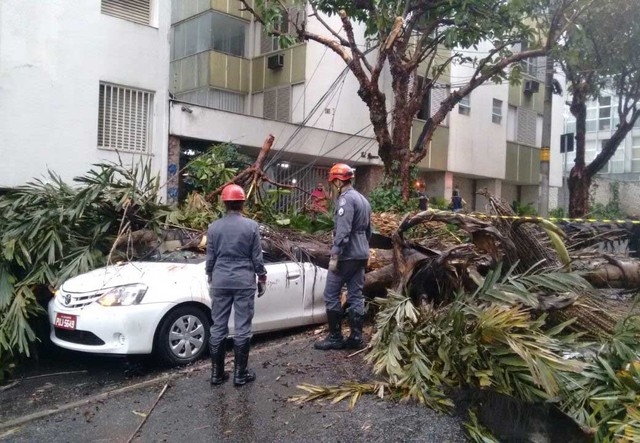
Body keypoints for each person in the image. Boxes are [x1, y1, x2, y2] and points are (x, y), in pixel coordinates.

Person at [206, 184, 267, 386]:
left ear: (224, 203)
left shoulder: (214, 227)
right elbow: (257, 257)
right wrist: (262, 277)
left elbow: (210, 257)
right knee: (242, 328)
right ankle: (240, 375)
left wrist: (210, 276)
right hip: (243, 280)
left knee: (218, 327)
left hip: (220, 280)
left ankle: (216, 374)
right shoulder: (251, 226)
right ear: (242, 203)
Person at [315, 163, 372, 351]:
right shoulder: (363, 199)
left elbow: (343, 231)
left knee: (331, 294)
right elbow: (369, 231)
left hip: (346, 255)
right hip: (362, 253)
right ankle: (356, 337)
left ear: (339, 181)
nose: (332, 185)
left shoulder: (345, 200)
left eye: (333, 182)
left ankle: (335, 337)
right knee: (356, 295)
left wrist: (335, 254)